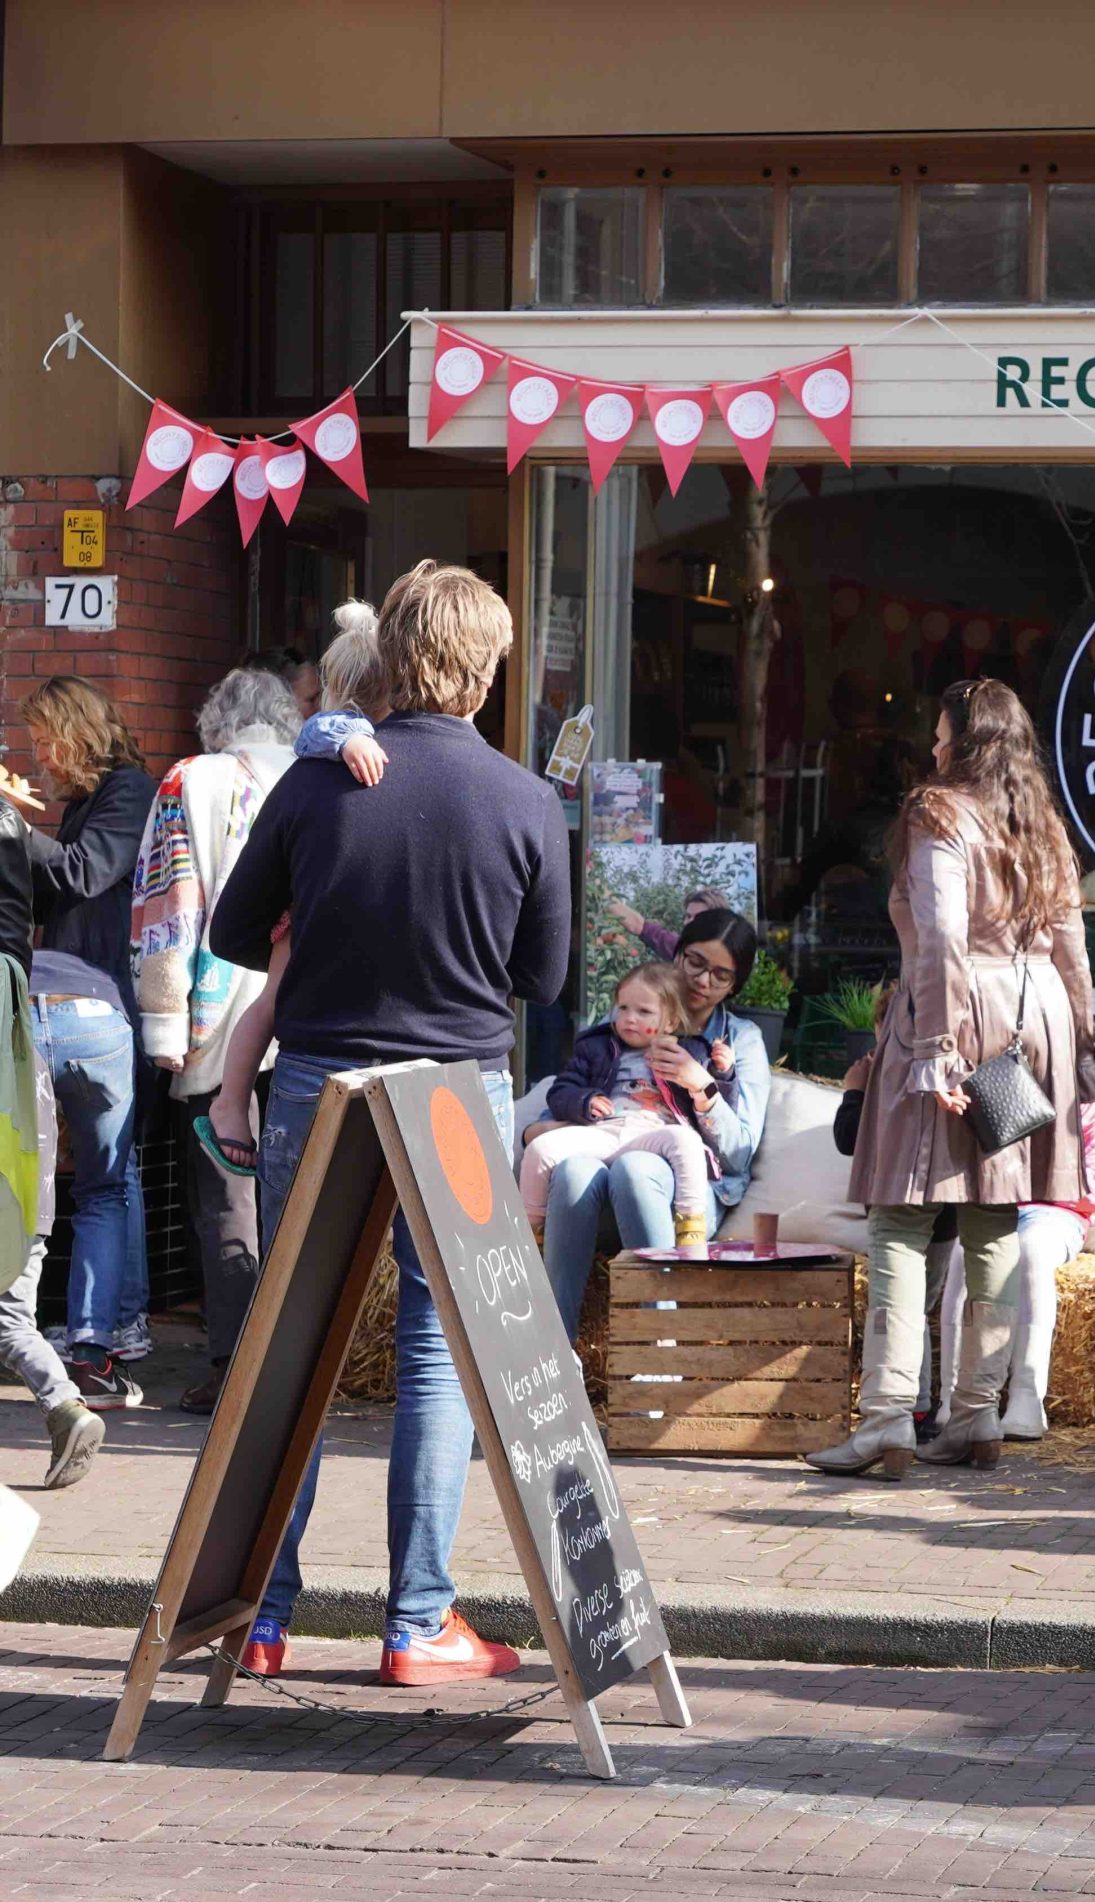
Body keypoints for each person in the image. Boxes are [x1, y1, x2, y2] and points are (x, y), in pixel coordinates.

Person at [207, 559, 570, 1689]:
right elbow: (545, 977)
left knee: (293, 1344)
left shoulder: (320, 785)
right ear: (486, 666)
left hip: (319, 1077)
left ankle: (258, 1613)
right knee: (435, 1348)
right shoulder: (524, 800)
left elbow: (229, 932)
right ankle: (416, 1623)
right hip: (455, 1084)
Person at [807, 678, 1095, 1480]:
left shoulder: (937, 812)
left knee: (900, 1220)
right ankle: (976, 1414)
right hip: (1037, 1023)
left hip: (956, 1015)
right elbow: (1072, 945)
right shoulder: (1040, 823)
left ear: (963, 740)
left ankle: (887, 1420)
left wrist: (934, 1044)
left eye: (940, 733)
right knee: (994, 1219)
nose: (931, 747)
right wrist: (1083, 1044)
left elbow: (939, 935)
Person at [129, 665, 302, 1413]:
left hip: (221, 1011)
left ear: (216, 719)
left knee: (225, 1190)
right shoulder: (317, 775)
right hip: (309, 1012)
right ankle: (297, 1359)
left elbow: (167, 906)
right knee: (296, 1191)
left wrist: (163, 1021)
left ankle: (236, 1365)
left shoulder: (192, 779)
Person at [197, 619, 395, 1177]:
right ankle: (230, 1102)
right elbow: (310, 737)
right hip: (305, 907)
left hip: (326, 902)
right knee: (271, 1001)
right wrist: (349, 738)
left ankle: (232, 1101)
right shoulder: (338, 728)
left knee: (275, 1001)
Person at [536, 907, 771, 1324]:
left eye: (721, 974)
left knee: (636, 1167)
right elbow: (576, 1083)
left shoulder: (740, 1040)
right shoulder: (630, 1016)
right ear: (677, 952)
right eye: (696, 961)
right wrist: (548, 1126)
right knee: (572, 1171)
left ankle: (660, 1341)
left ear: (735, 984)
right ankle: (553, 1348)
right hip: (605, 1168)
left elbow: (739, 1155)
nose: (702, 980)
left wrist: (704, 1086)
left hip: (687, 1192)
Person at [21, 675, 154, 1405]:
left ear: (77, 731)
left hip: (96, 1007)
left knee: (106, 1180)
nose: (39, 757)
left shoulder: (128, 793)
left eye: (46, 741)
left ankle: (102, 1341)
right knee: (104, 1182)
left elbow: (81, 874)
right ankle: (103, 1341)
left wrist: (15, 832)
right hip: (78, 1011)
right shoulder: (85, 804)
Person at [0, 769, 103, 1489]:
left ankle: (66, 1403)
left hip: (13, 1208)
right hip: (32, 1205)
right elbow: (64, 874)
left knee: (8, 1324)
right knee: (14, 1318)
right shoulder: (22, 1028)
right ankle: (67, 1407)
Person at [935, 1099, 1095, 1442]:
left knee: (1032, 1249)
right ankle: (953, 1397)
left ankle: (1027, 1399)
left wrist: (1040, 1183)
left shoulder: (1084, 1108)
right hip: (994, 1209)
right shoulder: (995, 1095)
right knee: (962, 1253)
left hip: (1056, 1213)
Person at [521, 961, 730, 1257]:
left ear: (670, 1022)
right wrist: (584, 1101)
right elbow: (561, 1091)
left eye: (644, 1012)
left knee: (688, 1142)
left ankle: (691, 1227)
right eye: (623, 1008)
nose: (630, 1018)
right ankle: (530, 1234)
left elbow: (714, 1101)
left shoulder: (690, 1052)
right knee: (539, 1150)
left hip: (653, 1135)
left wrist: (722, 1072)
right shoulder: (595, 1047)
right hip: (603, 1131)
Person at [609, 886, 733, 962]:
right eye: (688, 916)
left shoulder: (729, 957)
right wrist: (600, 891)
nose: (689, 922)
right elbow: (637, 925)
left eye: (699, 918)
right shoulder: (679, 948)